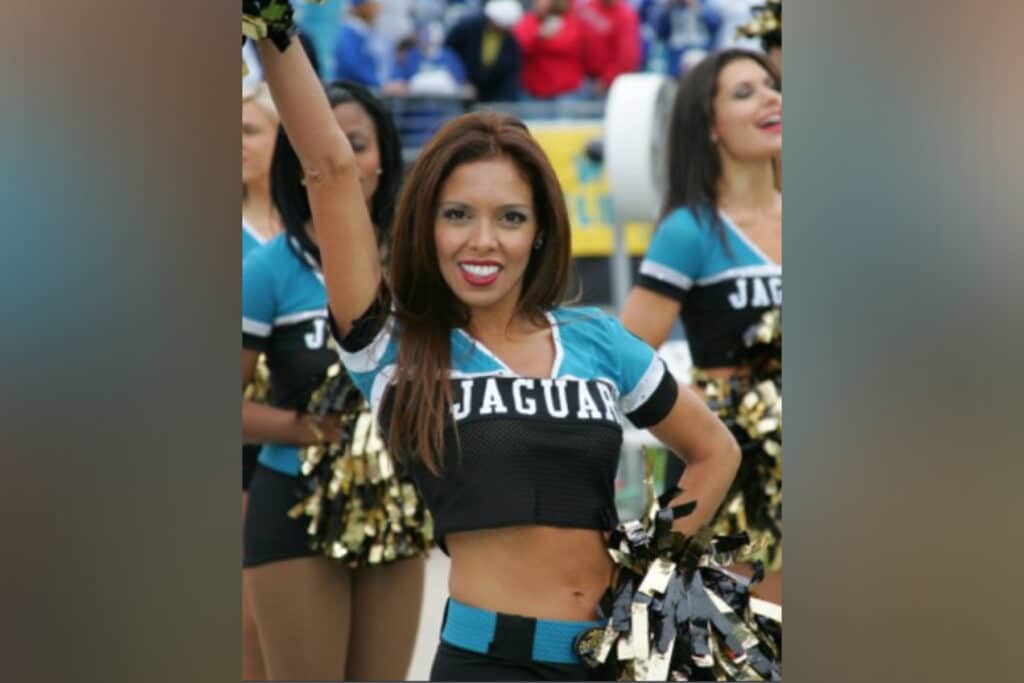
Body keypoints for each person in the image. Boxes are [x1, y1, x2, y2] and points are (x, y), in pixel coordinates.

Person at [254, 32, 741, 681]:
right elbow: (331, 170)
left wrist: (652, 577)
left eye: (510, 218)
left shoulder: (593, 337)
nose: (483, 241)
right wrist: (271, 29)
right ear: (426, 223)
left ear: (539, 231)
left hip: (613, 660)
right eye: (457, 214)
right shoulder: (393, 345)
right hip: (486, 662)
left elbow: (715, 451)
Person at [241, 78, 425, 680]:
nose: (343, 159)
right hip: (292, 503)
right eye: (327, 145)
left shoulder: (418, 261)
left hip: (396, 506)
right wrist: (315, 429)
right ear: (296, 165)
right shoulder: (267, 270)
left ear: (384, 157)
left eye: (358, 144)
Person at [620, 48, 782, 603]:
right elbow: (627, 356)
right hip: (744, 472)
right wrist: (710, 407)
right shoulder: (688, 232)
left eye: (771, 85)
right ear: (709, 126)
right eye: (745, 92)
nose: (770, 97)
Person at [241, 80, 279, 682]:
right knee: (248, 622)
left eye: (249, 131)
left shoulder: (326, 236)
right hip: (244, 447)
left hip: (333, 460)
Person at [444, 0, 523, 103]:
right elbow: (448, 53)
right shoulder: (467, 27)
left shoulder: (510, 41)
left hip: (492, 96)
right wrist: (461, 81)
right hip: (462, 91)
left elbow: (510, 74)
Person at [513, 0, 589, 100]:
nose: (539, 3)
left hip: (566, 92)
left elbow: (568, 45)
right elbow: (519, 47)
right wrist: (539, 37)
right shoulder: (528, 21)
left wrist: (541, 43)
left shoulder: (571, 21)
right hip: (534, 92)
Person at [577, 0, 642, 96]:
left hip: (610, 83)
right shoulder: (588, 8)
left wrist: (607, 79)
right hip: (583, 78)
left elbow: (628, 57)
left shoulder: (625, 14)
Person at [331, 0, 390, 87]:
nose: (377, 7)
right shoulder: (349, 34)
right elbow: (352, 66)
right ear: (360, 7)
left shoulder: (368, 32)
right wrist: (379, 83)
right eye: (371, 3)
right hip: (353, 91)